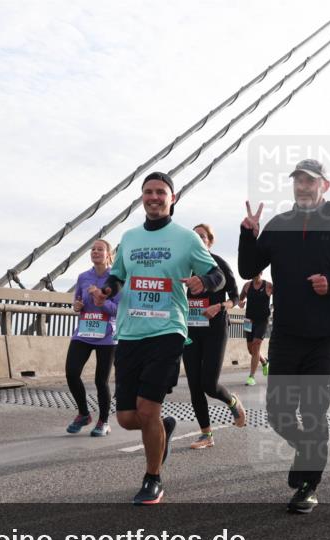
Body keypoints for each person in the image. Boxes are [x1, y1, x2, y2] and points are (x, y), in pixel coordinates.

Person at [239, 158, 330, 513]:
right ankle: (307, 452)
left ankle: (309, 485)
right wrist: (248, 234)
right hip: (285, 333)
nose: (303, 186)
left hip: (324, 338)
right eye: (298, 181)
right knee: (278, 413)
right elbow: (246, 268)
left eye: (310, 181)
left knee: (313, 412)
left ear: (325, 186)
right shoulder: (279, 225)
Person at [100, 172, 226, 505]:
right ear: (142, 197)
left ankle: (153, 478)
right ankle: (163, 429)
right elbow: (117, 275)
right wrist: (106, 291)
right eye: (148, 192)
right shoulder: (128, 238)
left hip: (167, 331)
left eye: (160, 192)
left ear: (173, 198)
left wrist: (204, 283)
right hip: (129, 333)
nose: (154, 197)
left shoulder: (186, 238)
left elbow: (217, 274)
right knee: (128, 419)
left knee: (147, 409)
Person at [183, 224, 247, 450]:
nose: (198, 239)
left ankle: (232, 402)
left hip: (215, 328)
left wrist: (220, 306)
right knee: (194, 385)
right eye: (195, 236)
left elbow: (236, 298)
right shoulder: (184, 265)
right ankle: (206, 434)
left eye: (202, 236)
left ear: (209, 241)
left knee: (208, 383)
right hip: (190, 330)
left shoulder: (218, 263)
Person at [65, 239, 120, 437]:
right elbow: (77, 302)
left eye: (100, 249)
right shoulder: (83, 277)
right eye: (93, 249)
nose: (95, 252)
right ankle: (83, 413)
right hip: (84, 331)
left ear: (108, 254)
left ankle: (104, 421)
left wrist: (100, 298)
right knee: (71, 373)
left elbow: (118, 310)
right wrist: (77, 306)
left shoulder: (116, 278)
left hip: (107, 335)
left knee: (100, 381)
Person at [239, 274, 272, 385]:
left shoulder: (268, 285)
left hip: (262, 321)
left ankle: (251, 377)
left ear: (261, 273)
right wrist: (240, 302)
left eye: (258, 272)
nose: (256, 274)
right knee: (251, 349)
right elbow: (240, 298)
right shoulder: (247, 286)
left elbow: (280, 297)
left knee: (256, 344)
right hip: (249, 321)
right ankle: (264, 362)